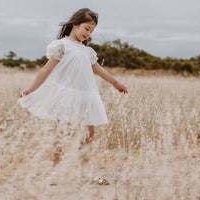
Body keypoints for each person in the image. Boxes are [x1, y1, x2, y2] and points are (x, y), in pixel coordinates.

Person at [18, 8, 128, 184]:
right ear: (75, 24)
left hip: (87, 97)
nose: (88, 34)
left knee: (88, 135)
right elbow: (46, 69)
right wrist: (31, 89)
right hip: (67, 97)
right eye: (86, 28)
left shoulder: (88, 52)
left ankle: (87, 172)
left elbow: (99, 70)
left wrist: (116, 83)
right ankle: (54, 172)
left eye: (91, 31)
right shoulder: (61, 46)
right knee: (63, 133)